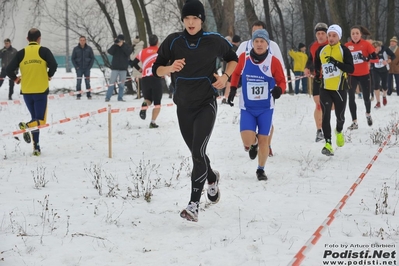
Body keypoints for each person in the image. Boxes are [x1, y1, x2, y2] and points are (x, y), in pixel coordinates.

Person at [152, 0, 238, 222]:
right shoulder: (173, 41)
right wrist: (170, 68)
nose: (191, 22)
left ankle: (193, 205)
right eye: (187, 18)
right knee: (197, 153)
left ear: (202, 20)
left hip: (206, 104)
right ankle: (211, 177)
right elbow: (156, 69)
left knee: (198, 153)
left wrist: (226, 77)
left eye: (195, 19)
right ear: (183, 20)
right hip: (183, 107)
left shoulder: (213, 41)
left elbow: (233, 59)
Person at [228, 29, 286, 180]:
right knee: (247, 140)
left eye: (262, 41)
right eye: (256, 41)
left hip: (266, 108)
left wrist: (279, 89)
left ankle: (261, 169)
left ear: (267, 44)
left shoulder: (273, 61)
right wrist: (233, 88)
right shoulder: (244, 57)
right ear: (252, 43)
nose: (259, 44)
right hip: (247, 108)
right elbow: (235, 73)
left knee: (264, 139)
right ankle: (253, 144)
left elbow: (281, 80)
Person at [236, 20, 285, 157]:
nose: (256, 35)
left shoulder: (272, 45)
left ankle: (266, 144)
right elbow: (236, 65)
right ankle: (255, 142)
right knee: (248, 128)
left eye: (259, 31)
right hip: (248, 93)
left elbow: (279, 65)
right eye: (253, 31)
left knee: (267, 122)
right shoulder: (243, 46)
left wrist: (278, 88)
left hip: (267, 90)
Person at [6, 28, 58, 156]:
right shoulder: (44, 51)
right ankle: (27, 126)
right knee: (41, 120)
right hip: (40, 90)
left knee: (36, 119)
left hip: (27, 91)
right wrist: (49, 75)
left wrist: (16, 79)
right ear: (39, 38)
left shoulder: (21, 53)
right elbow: (54, 65)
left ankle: (36, 147)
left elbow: (8, 69)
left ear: (27, 39)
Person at [314, 24, 354, 156]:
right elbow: (317, 65)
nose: (331, 38)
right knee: (326, 116)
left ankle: (339, 131)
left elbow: (351, 69)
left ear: (339, 37)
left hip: (340, 89)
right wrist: (318, 77)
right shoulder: (321, 50)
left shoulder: (344, 50)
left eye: (334, 35)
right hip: (325, 89)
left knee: (340, 116)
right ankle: (328, 144)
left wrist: (336, 62)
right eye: (329, 35)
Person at [344, 25, 378, 129]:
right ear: (350, 35)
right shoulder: (346, 46)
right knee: (351, 97)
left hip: (364, 75)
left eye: (357, 33)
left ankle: (368, 114)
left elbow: (376, 59)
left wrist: (366, 58)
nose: (355, 35)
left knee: (366, 98)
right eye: (353, 33)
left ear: (361, 34)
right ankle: (354, 122)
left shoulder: (366, 44)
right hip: (352, 75)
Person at [304, 22, 329, 142]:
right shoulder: (312, 46)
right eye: (318, 33)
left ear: (327, 34)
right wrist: (307, 68)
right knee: (318, 104)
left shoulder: (332, 45)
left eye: (323, 33)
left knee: (331, 107)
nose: (320, 36)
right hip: (318, 78)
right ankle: (319, 131)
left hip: (331, 79)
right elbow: (310, 59)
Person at [131, 34, 162, 128]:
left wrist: (140, 69)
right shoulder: (160, 51)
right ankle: (152, 123)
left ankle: (145, 104)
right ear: (157, 42)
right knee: (157, 103)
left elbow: (133, 62)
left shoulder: (142, 52)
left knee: (148, 99)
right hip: (156, 78)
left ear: (149, 42)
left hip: (145, 78)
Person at [105, 34, 133, 102]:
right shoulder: (115, 46)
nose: (119, 41)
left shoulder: (126, 46)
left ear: (123, 40)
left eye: (120, 40)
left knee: (122, 84)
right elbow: (110, 51)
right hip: (115, 68)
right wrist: (115, 44)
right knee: (111, 83)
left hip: (123, 68)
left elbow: (128, 52)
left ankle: (120, 97)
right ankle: (108, 97)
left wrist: (122, 46)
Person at [371, 40, 396, 108]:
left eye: (378, 48)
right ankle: (378, 102)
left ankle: (384, 96)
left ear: (380, 46)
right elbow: (368, 58)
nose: (377, 49)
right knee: (376, 84)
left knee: (384, 85)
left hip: (385, 69)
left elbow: (393, 56)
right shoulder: (371, 50)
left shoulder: (385, 49)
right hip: (375, 70)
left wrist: (388, 61)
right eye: (375, 48)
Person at [71, 36, 95, 100]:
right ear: (79, 41)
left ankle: (89, 95)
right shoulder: (76, 49)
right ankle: (78, 95)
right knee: (78, 82)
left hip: (87, 68)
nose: (82, 41)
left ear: (85, 41)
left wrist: (89, 67)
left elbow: (92, 58)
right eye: (81, 40)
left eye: (83, 40)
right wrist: (76, 67)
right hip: (79, 68)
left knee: (87, 82)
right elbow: (73, 58)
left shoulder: (89, 48)